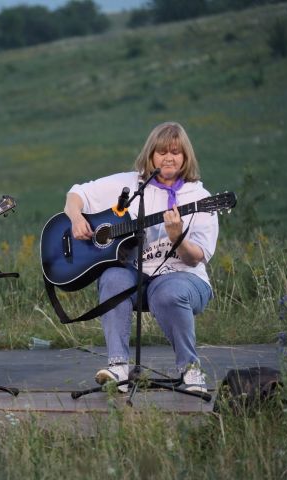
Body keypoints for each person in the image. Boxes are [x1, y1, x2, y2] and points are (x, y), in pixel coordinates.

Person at [64, 122, 219, 393]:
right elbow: (76, 193)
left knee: (167, 292)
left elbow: (196, 258)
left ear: (185, 157)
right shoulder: (130, 184)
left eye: (176, 152)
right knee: (112, 277)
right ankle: (118, 368)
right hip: (137, 275)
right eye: (161, 152)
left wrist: (177, 237)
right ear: (150, 156)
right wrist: (77, 218)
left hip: (184, 278)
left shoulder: (200, 198)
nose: (169, 157)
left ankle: (191, 371)